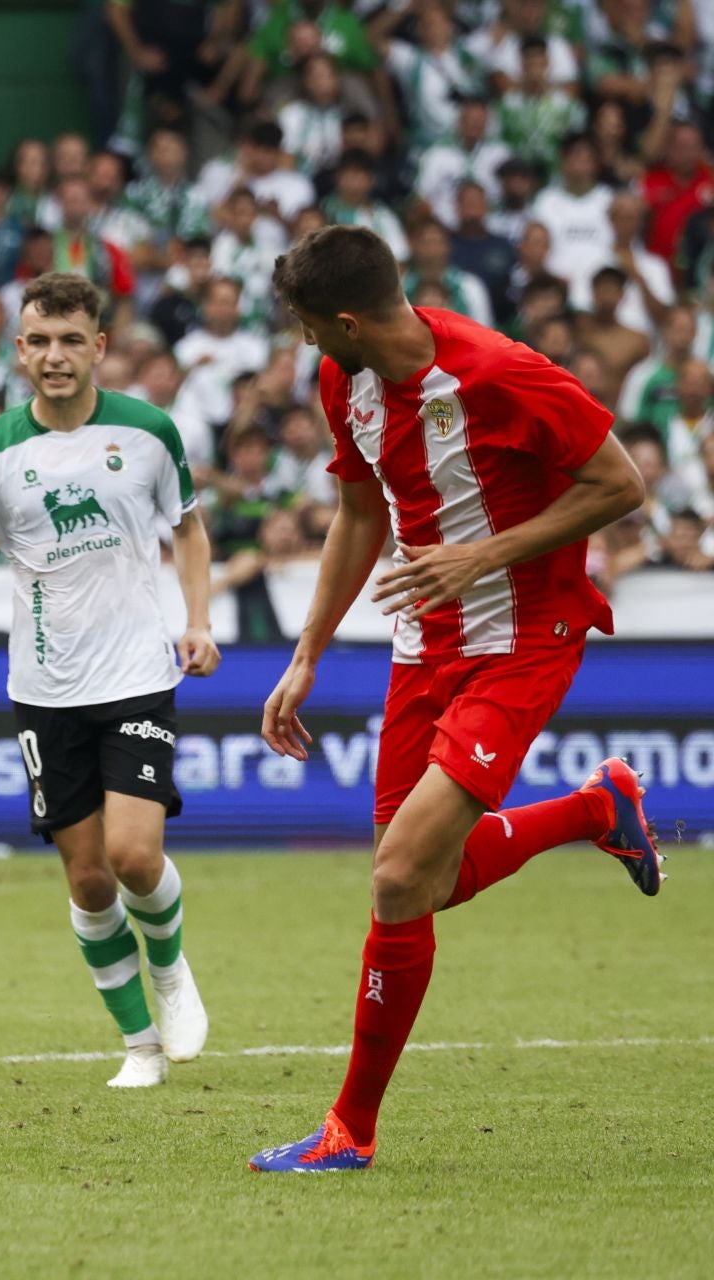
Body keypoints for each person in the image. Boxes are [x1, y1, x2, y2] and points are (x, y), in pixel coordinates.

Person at [251, 226, 664, 1173]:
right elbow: (361, 514)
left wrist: (485, 553)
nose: (309, 345)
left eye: (314, 328)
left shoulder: (500, 373)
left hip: (524, 637)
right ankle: (598, 809)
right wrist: (306, 655)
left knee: (398, 881)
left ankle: (348, 1131)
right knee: (422, 881)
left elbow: (621, 484)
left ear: (349, 321)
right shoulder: (344, 383)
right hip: (421, 646)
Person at [0, 273, 217, 1089]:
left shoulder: (150, 433)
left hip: (136, 675)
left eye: (71, 340)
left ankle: (173, 974)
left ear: (99, 347)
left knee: (133, 855)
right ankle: (139, 1047)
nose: (55, 356)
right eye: (40, 341)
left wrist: (197, 620)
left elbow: (189, 531)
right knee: (87, 877)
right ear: (20, 350)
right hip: (44, 688)